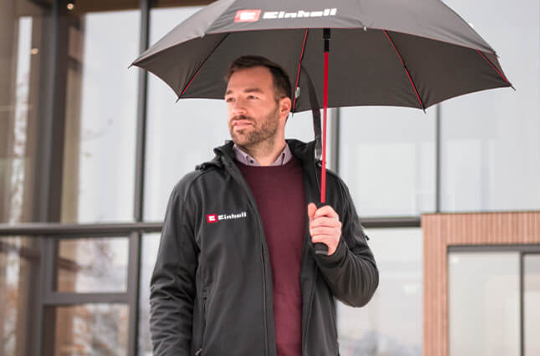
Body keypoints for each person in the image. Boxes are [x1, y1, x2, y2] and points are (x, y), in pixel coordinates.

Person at [149, 55, 379, 356]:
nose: (237, 109)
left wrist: (336, 252)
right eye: (230, 99)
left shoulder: (327, 189)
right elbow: (170, 293)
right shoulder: (196, 191)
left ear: (284, 106)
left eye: (251, 97)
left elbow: (362, 290)